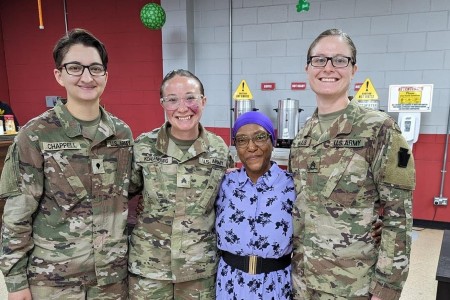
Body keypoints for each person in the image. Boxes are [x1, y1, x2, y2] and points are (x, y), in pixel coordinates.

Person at [0, 28, 133, 300]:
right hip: (55, 282)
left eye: (95, 68)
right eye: (75, 67)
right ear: (58, 75)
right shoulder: (35, 134)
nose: (86, 77)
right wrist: (15, 282)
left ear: (105, 76)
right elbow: (17, 214)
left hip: (110, 280)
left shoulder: (122, 134)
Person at [289, 28, 415, 300]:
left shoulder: (380, 130)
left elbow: (399, 218)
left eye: (340, 60)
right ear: (308, 67)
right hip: (301, 282)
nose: (329, 68)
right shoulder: (302, 138)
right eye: (319, 60)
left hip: (352, 287)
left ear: (354, 69)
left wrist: (386, 290)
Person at [128, 69, 233, 299]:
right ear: (163, 104)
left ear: (203, 101)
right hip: (149, 269)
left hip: (198, 270)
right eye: (172, 100)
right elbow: (122, 195)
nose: (182, 108)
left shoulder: (219, 149)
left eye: (190, 98)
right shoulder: (144, 146)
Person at [215, 111, 295, 299]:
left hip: (276, 286)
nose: (251, 147)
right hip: (230, 285)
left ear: (272, 141)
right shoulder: (223, 184)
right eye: (242, 140)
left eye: (260, 137)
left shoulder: (293, 186)